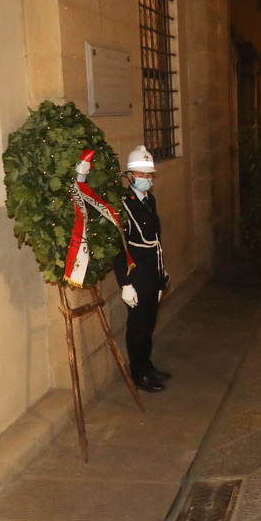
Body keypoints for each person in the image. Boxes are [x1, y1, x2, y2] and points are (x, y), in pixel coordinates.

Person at [114, 146, 171, 392]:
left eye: (149, 176)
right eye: (141, 175)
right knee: (137, 327)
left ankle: (147, 366)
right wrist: (125, 283)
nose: (146, 180)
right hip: (136, 277)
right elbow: (119, 246)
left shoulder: (150, 200)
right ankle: (138, 374)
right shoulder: (124, 204)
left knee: (149, 324)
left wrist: (160, 279)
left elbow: (155, 242)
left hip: (152, 275)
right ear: (129, 176)